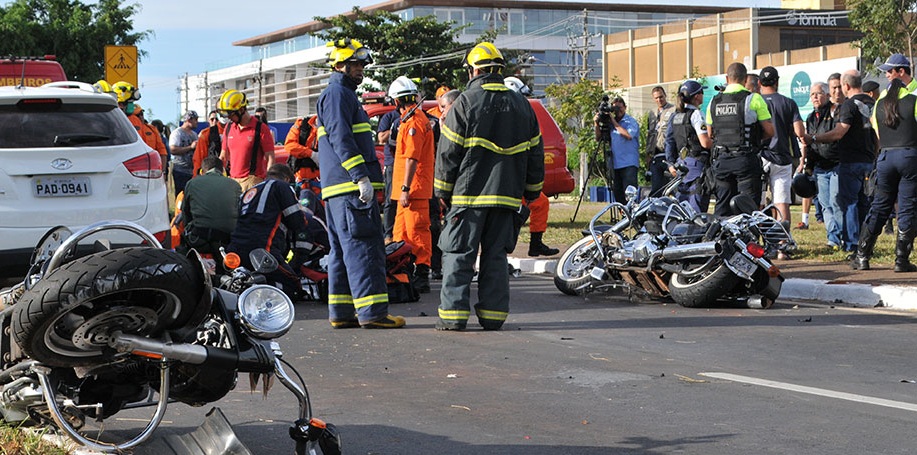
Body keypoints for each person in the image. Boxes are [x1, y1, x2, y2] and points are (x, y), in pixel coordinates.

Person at [434, 42, 544, 331]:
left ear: (474, 70)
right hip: (507, 199)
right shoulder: (523, 105)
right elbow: (535, 154)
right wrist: (531, 193)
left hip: (469, 199)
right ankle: (493, 317)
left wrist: (442, 193)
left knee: (459, 254)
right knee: (495, 257)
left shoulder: (466, 102)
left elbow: (448, 153)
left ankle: (453, 318)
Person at [317, 38, 404, 329]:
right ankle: (373, 314)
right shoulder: (339, 94)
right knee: (364, 250)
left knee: (342, 253)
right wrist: (361, 177)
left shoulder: (340, 95)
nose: (361, 69)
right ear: (339, 65)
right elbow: (342, 138)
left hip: (339, 189)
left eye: (362, 64)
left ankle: (342, 313)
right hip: (350, 188)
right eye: (355, 64)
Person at [802, 70, 875, 254]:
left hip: (849, 162)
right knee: (863, 204)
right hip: (867, 160)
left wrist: (815, 138)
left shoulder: (849, 105)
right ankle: (864, 244)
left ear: (846, 86)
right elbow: (877, 134)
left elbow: (839, 132)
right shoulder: (871, 103)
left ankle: (851, 245)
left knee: (847, 204)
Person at [852, 77, 917, 272]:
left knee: (879, 207)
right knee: (907, 208)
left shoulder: (880, 103)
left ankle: (862, 256)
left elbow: (877, 133)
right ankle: (901, 260)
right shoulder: (913, 101)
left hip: (886, 158)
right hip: (909, 156)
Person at [228, 164, 310, 297]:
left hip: (236, 248)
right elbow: (298, 222)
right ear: (287, 179)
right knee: (293, 284)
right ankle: (259, 287)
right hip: (263, 250)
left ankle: (246, 287)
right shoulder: (281, 187)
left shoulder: (249, 191)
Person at [706, 62, 774, 217]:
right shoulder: (753, 99)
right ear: (745, 79)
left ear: (726, 78)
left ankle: (720, 239)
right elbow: (770, 131)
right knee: (747, 207)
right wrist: (755, 137)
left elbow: (710, 134)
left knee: (722, 207)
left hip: (722, 161)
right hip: (745, 160)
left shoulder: (714, 101)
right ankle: (747, 240)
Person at [388, 76, 435, 294]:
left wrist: (406, 188)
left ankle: (422, 273)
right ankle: (403, 272)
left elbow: (412, 158)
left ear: (397, 101)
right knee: (401, 235)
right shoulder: (410, 121)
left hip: (412, 190)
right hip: (404, 191)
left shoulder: (414, 123)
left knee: (417, 233)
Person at [759, 66, 805, 231]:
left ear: (759, 83)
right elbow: (800, 131)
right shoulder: (788, 103)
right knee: (781, 202)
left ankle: (756, 243)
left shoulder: (755, 102)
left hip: (760, 157)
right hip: (782, 157)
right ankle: (781, 246)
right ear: (777, 82)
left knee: (760, 202)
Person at [664, 79, 713, 213]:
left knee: (682, 208)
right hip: (696, 165)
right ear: (697, 96)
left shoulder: (675, 115)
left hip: (681, 164)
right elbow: (705, 142)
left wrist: (670, 164)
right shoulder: (696, 115)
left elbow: (668, 141)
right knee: (696, 208)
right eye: (702, 92)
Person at [179, 156, 242, 257]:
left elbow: (185, 213)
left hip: (198, 239)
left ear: (202, 171)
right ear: (222, 170)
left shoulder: (192, 183)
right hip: (226, 242)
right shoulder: (235, 185)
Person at [217, 89, 276, 192]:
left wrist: (268, 182)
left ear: (241, 110)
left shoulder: (260, 128)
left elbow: (270, 158)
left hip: (253, 182)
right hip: (232, 181)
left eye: (231, 114)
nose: (229, 118)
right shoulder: (229, 127)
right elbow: (223, 156)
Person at [595, 97, 640, 204]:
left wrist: (614, 122)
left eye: (620, 108)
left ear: (625, 107)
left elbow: (628, 135)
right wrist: (596, 124)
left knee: (630, 193)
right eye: (615, 108)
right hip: (615, 164)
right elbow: (598, 138)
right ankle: (624, 215)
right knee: (618, 193)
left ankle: (633, 216)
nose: (618, 111)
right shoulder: (611, 124)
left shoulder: (630, 121)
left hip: (629, 163)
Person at [646, 86, 676, 195]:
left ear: (665, 95)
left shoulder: (673, 110)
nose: (659, 100)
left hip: (669, 154)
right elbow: (650, 135)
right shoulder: (652, 114)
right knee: (657, 188)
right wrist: (648, 155)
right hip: (656, 154)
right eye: (656, 98)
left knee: (673, 188)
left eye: (661, 97)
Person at [377, 108, 401, 242]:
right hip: (393, 162)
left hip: (410, 160)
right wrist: (397, 127)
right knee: (390, 199)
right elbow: (381, 138)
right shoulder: (389, 117)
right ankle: (388, 235)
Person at [284, 114, 320, 186]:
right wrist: (311, 154)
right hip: (299, 179)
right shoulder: (301, 124)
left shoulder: (330, 127)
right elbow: (290, 146)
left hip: (320, 180)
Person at [169, 110, 199, 198]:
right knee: (181, 196)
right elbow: (173, 150)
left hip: (192, 170)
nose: (197, 122)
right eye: (195, 119)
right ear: (189, 120)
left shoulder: (194, 134)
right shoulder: (177, 133)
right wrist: (190, 147)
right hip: (180, 170)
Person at [193, 111, 225, 177]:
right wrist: (196, 176)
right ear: (208, 120)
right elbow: (199, 157)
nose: (214, 121)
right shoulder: (205, 134)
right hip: (212, 172)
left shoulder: (233, 131)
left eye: (217, 119)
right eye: (212, 119)